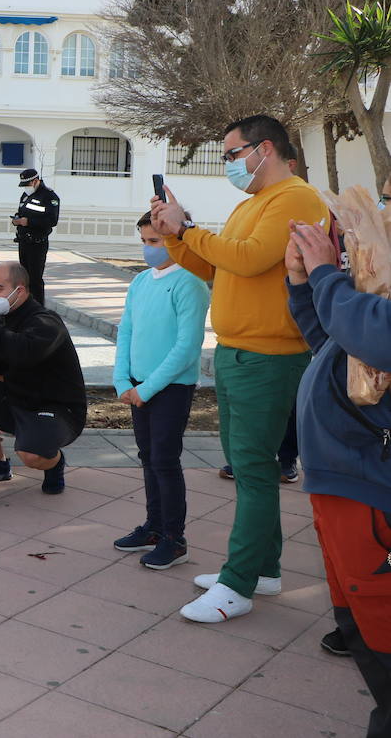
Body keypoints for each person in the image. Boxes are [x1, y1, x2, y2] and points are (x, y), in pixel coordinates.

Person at [150, 114, 327, 624]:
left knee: (250, 469)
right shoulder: (255, 203)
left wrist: (187, 227)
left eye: (231, 154)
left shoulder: (295, 197)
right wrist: (176, 237)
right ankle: (263, 569)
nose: (228, 163)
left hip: (269, 357)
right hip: (239, 351)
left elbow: (248, 260)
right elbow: (219, 266)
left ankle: (238, 583)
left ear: (263, 149)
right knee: (252, 468)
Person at [285, 218, 391, 732]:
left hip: (372, 488)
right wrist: (306, 284)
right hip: (342, 482)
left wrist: (326, 275)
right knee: (359, 624)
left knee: (382, 631)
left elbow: (379, 337)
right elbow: (332, 344)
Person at [111, 212, 211, 571]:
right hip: (139, 388)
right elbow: (126, 331)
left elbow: (187, 346)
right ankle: (153, 527)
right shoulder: (140, 283)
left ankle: (174, 537)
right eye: (143, 241)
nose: (147, 249)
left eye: (154, 241)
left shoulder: (190, 282)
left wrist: (149, 388)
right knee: (148, 457)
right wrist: (123, 380)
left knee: (165, 461)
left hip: (171, 388)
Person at [0, 261, 86, 495]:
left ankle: (55, 461)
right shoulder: (2, 322)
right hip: (18, 401)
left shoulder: (46, 321)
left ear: (19, 290)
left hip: (57, 410)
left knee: (32, 456)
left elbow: (22, 353)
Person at [12, 167, 59, 304]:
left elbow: (52, 220)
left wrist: (29, 222)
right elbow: (22, 211)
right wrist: (17, 219)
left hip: (37, 243)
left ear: (35, 181)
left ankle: (38, 308)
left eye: (27, 185)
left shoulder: (49, 196)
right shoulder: (26, 195)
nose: (25, 188)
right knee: (24, 277)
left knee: (35, 278)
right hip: (24, 241)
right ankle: (25, 304)